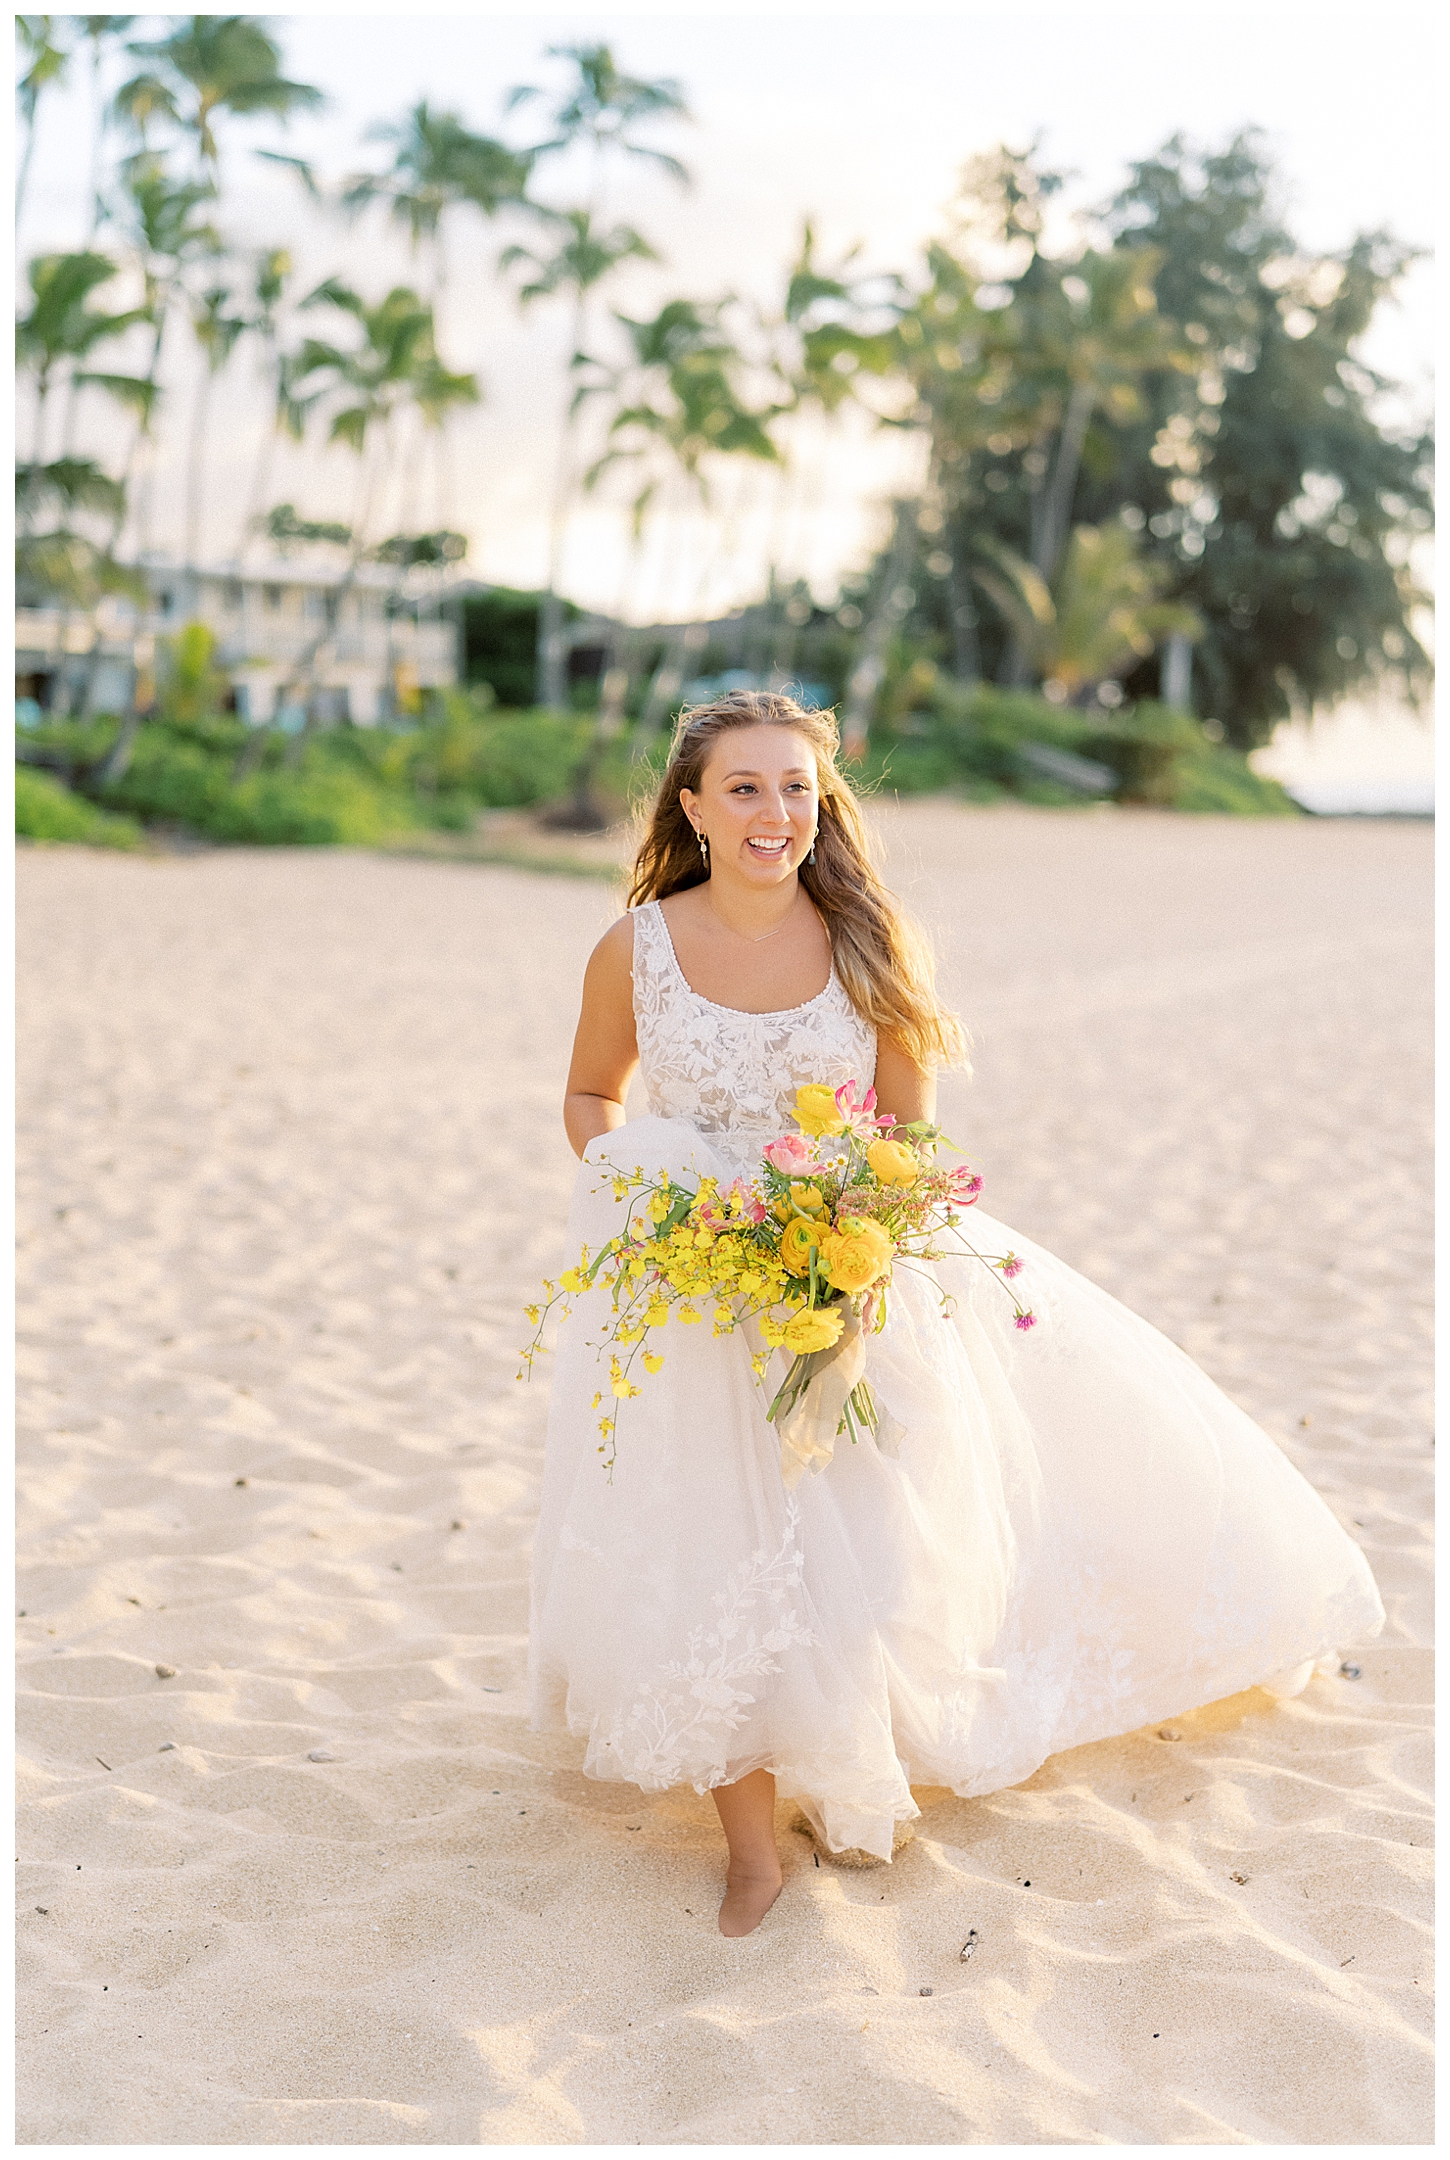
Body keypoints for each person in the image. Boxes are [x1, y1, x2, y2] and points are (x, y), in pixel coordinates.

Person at [528, 689, 1384, 1938]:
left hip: (851, 1271)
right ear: (694, 807)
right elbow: (591, 1096)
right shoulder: (636, 949)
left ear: (823, 808)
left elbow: (908, 1140)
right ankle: (751, 1848)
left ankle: (845, 1760)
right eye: (748, 789)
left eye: (798, 790)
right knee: (711, 1545)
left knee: (865, 1552)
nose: (777, 813)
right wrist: (648, 1196)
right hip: (692, 1282)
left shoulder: (868, 942)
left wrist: (847, 1261)